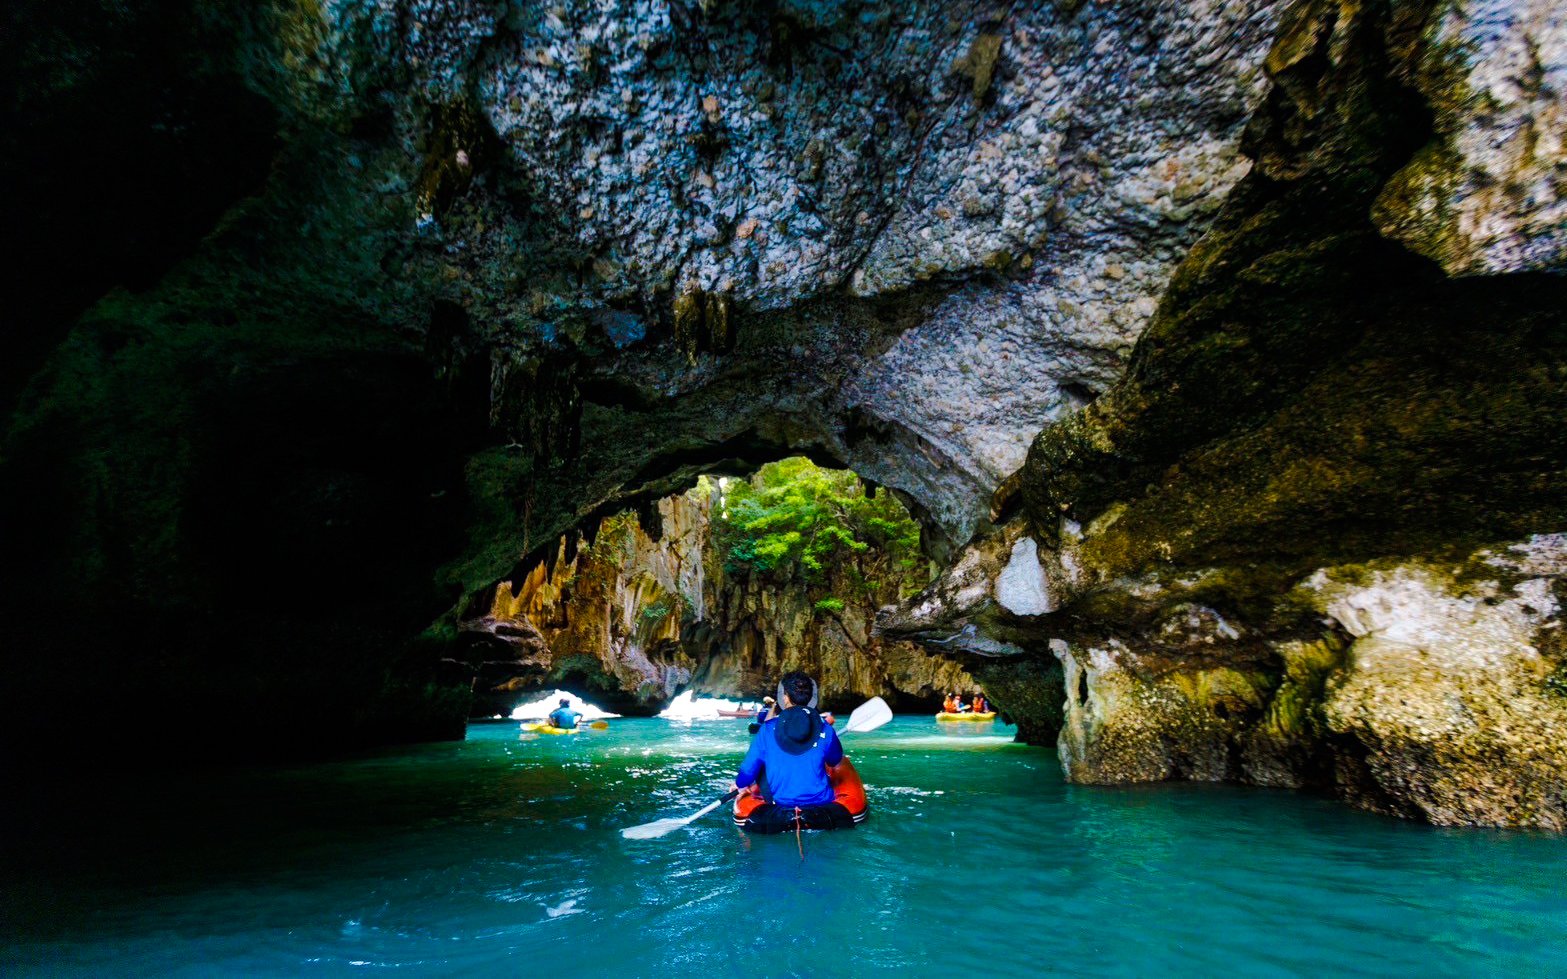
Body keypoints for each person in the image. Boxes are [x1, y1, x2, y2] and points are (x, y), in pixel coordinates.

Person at [732, 671, 855, 832]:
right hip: (823, 807)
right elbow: (834, 760)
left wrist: (739, 784)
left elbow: (748, 771)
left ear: (785, 697)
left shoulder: (767, 730)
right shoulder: (825, 728)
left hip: (780, 806)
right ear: (811, 697)